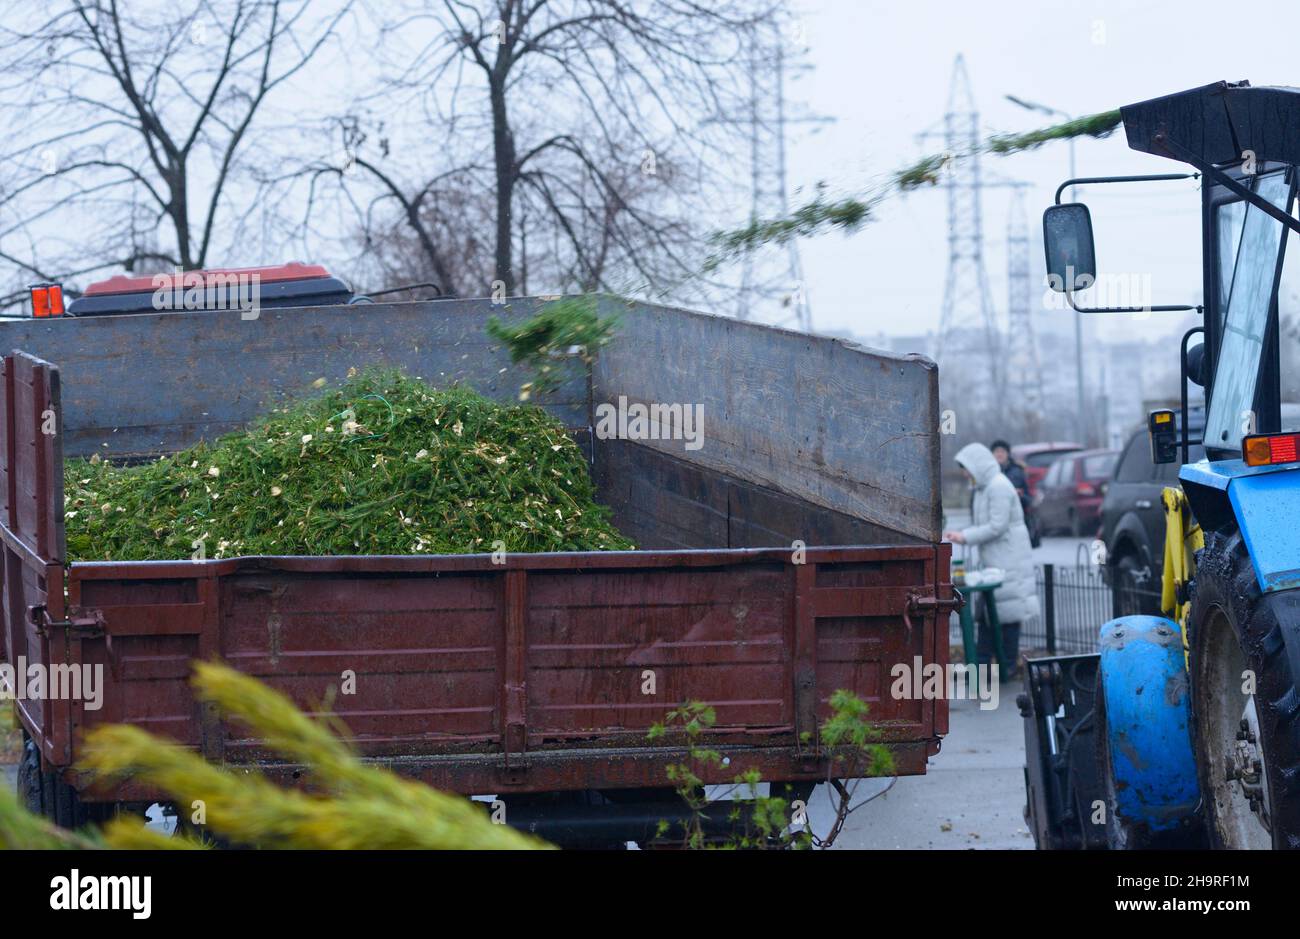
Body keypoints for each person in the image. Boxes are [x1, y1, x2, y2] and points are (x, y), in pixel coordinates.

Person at [944, 442, 1039, 681]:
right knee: (993, 613)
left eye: (966, 468)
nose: (965, 473)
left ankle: (1002, 664)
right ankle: (986, 664)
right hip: (1000, 557)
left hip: (1008, 557)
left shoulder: (996, 487)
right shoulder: (986, 487)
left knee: (1006, 614)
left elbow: (997, 526)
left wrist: (965, 536)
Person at [990, 438, 1039, 549]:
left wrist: (1019, 495)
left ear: (1008, 453)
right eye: (997, 452)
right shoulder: (988, 473)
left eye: (1002, 451)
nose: (999, 454)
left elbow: (1029, 499)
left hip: (1016, 520)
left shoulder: (1018, 471)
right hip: (995, 519)